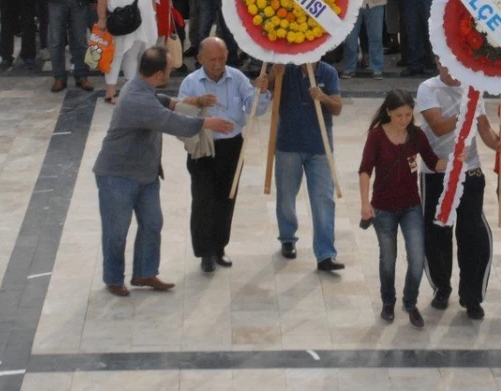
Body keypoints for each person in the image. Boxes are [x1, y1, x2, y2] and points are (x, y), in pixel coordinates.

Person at [93, 45, 235, 296]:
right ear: (159, 74)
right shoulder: (138, 100)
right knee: (116, 231)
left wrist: (187, 102)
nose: (171, 71)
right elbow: (170, 122)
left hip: (145, 174)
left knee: (152, 223)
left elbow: (161, 101)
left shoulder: (139, 87)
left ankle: (145, 273)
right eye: (169, 68)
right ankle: (114, 278)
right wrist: (207, 122)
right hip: (117, 176)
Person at [416, 59, 501, 321]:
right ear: (437, 62)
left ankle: (472, 296)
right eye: (444, 63)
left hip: (470, 170)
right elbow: (438, 125)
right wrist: (465, 111)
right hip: (437, 171)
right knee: (436, 233)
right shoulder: (428, 89)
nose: (450, 68)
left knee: (474, 234)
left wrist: (497, 144)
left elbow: (484, 128)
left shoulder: (473, 88)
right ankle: (441, 287)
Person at [178, 37, 271, 273]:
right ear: (200, 59)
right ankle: (204, 252)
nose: (217, 64)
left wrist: (262, 91)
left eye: (221, 58)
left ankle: (219, 247)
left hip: (231, 146)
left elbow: (255, 109)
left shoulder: (237, 78)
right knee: (202, 199)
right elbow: (180, 116)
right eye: (212, 60)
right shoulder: (190, 82)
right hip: (203, 147)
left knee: (226, 197)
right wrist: (203, 114)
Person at [359, 89, 446, 329]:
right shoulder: (376, 136)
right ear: (388, 112)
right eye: (399, 115)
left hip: (411, 207)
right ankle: (388, 301)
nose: (404, 120)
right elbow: (365, 169)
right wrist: (365, 203)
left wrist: (454, 160)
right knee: (388, 258)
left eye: (408, 115)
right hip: (383, 208)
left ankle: (410, 302)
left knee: (417, 258)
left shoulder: (416, 135)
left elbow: (433, 162)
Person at [271, 62, 346, 271]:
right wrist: (270, 76)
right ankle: (287, 237)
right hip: (289, 144)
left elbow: (337, 108)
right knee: (286, 195)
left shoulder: (328, 72)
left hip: (320, 147)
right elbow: (267, 88)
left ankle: (325, 254)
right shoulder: (285, 67)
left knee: (323, 199)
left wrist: (323, 97)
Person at [97, 0, 158, 103]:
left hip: (142, 19)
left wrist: (153, 15)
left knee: (133, 53)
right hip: (120, 21)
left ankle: (130, 89)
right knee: (116, 54)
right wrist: (101, 19)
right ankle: (110, 91)